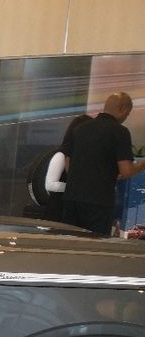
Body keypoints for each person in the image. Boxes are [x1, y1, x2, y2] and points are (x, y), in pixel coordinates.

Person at [62, 92, 145, 236]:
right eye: (128, 113)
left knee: (70, 243)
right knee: (95, 246)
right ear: (123, 109)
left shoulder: (80, 129)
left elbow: (68, 160)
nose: (126, 117)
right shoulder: (120, 132)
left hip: (72, 198)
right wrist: (142, 165)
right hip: (99, 201)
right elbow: (126, 171)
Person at [38, 113, 91, 222]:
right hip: (58, 211)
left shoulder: (80, 156)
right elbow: (50, 185)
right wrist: (76, 188)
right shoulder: (61, 155)